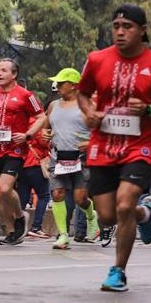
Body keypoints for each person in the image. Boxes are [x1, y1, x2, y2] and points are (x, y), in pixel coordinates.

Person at [76, 4, 151, 291]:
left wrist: (149, 109)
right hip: (102, 146)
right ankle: (143, 214)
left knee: (123, 203)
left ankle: (118, 270)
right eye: (116, 27)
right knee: (108, 215)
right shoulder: (96, 59)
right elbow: (82, 94)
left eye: (127, 27)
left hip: (139, 147)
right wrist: (88, 112)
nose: (120, 32)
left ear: (142, 31)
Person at [0, 58, 47, 245]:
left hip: (15, 149)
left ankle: (20, 215)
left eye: (4, 70)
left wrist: (28, 134)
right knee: (0, 194)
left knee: (4, 188)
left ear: (14, 74)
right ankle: (12, 232)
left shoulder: (25, 95)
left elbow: (41, 116)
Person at [44, 68, 99, 249]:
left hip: (81, 158)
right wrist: (46, 134)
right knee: (57, 194)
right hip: (59, 157)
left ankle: (92, 217)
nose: (57, 86)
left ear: (74, 86)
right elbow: (46, 125)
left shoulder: (88, 105)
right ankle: (63, 235)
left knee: (80, 198)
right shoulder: (53, 105)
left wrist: (91, 143)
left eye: (61, 83)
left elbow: (103, 132)